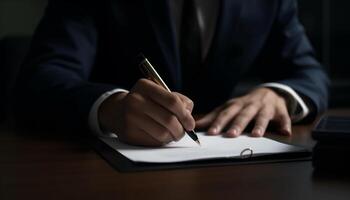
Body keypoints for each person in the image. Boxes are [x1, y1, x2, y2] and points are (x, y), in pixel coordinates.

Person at [16, 0, 329, 146]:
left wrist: (278, 94)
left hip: (223, 174)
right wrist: (109, 107)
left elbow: (309, 73)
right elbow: (41, 78)